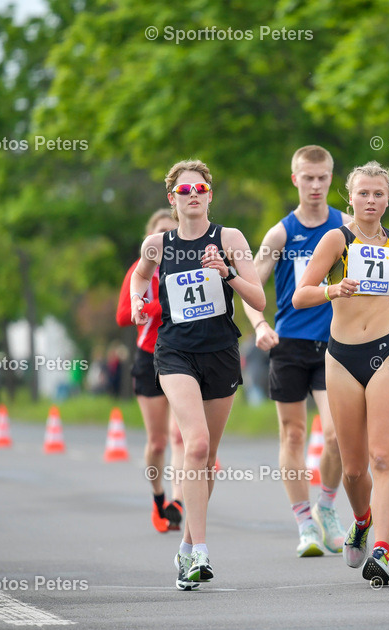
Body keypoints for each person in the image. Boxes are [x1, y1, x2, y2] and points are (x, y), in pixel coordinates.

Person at [130, 159, 265, 590]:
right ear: (172, 199)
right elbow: (140, 276)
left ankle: (187, 547)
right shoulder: (158, 244)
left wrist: (226, 273)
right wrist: (137, 301)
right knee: (197, 443)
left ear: (210, 194)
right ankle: (203, 552)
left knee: (207, 461)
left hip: (221, 352)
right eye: (183, 191)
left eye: (199, 189)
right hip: (174, 353)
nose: (192, 196)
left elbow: (259, 298)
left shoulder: (230, 238)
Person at [292, 161, 389, 586]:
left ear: (388, 197)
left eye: (378, 193)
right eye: (363, 193)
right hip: (342, 355)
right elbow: (300, 296)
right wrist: (333, 288)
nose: (370, 200)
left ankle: (381, 550)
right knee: (352, 468)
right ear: (350, 197)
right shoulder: (336, 239)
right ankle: (361, 521)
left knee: (383, 457)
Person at [242, 145, 347, 558]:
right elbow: (251, 288)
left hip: (335, 346)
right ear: (295, 180)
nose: (316, 185)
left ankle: (326, 508)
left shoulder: (346, 227)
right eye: (308, 177)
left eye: (323, 178)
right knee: (294, 433)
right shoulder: (281, 233)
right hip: (289, 344)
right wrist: (260, 325)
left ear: (331, 179)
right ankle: (304, 524)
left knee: (337, 434)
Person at [117, 209, 186, 535]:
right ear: (151, 238)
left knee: (182, 436)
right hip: (149, 358)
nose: (165, 238)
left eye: (171, 232)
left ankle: (179, 501)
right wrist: (154, 308)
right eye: (159, 232)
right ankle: (159, 500)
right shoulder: (140, 270)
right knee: (158, 442)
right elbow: (122, 316)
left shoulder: (189, 264)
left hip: (185, 355)